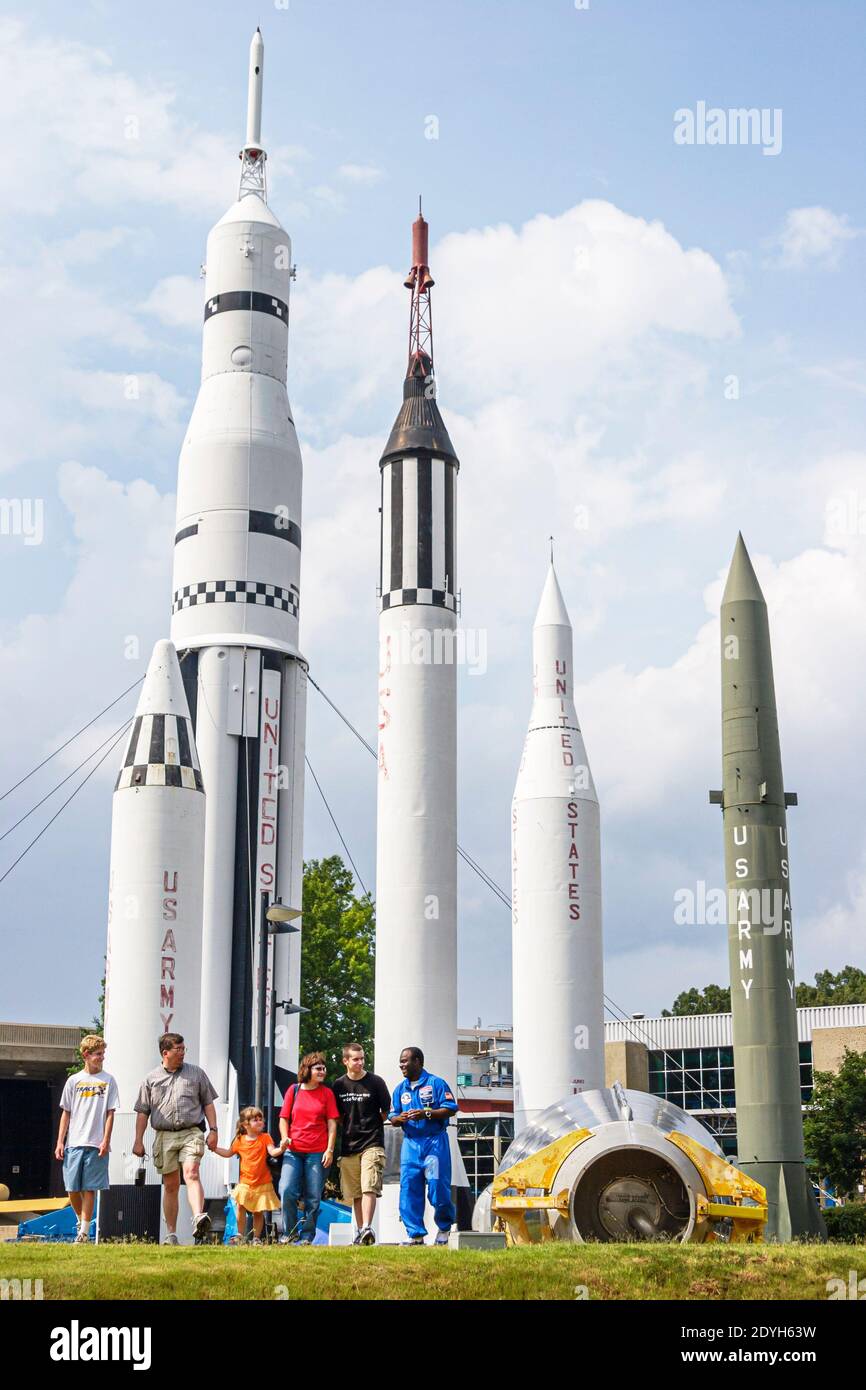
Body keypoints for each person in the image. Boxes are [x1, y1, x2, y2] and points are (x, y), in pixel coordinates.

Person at [132, 1033, 219, 1245]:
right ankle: (171, 1234)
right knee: (170, 1185)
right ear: (165, 1053)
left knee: (192, 1173)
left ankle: (199, 1216)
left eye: (183, 1049)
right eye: (178, 1050)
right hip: (164, 1135)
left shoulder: (196, 1073)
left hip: (192, 1131)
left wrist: (214, 1130)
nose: (182, 1053)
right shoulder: (150, 1079)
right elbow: (143, 1112)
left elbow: (208, 1103)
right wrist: (138, 1140)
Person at [390, 1046, 458, 1247]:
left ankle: (444, 1228)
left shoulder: (436, 1083)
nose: (402, 1065)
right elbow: (392, 1115)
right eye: (401, 1061)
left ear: (418, 1061)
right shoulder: (400, 1089)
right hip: (410, 1145)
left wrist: (426, 1113)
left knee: (437, 1187)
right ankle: (416, 1235)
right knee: (409, 1189)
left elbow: (450, 1108)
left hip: (433, 1143)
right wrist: (398, 1119)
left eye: (406, 1061)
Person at [55, 1035, 119, 1244]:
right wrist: (60, 1141)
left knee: (89, 1187)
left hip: (96, 1142)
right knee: (72, 1188)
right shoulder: (74, 1081)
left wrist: (106, 1139)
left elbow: (110, 1112)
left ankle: (84, 1232)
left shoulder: (108, 1080)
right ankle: (79, 1219)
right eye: (98, 1054)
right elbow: (66, 1112)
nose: (101, 1058)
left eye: (103, 1054)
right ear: (86, 1055)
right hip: (74, 1142)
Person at [332, 1041, 391, 1246]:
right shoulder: (338, 1085)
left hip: (372, 1142)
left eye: (362, 1058)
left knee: (369, 1186)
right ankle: (360, 1232)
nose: (360, 1062)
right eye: (355, 1059)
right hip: (348, 1145)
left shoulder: (376, 1082)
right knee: (355, 1192)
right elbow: (336, 1116)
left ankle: (367, 1226)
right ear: (345, 1061)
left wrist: (370, 1124)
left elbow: (385, 1111)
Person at [278, 1051, 338, 1245]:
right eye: (318, 1068)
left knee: (313, 1197)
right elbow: (284, 1119)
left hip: (317, 1152)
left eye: (324, 1068)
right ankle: (290, 1232)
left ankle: (307, 1236)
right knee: (286, 1189)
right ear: (307, 1070)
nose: (322, 1071)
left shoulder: (326, 1093)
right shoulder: (293, 1090)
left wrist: (329, 1149)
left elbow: (332, 1124)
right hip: (293, 1150)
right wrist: (285, 1137)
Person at [213, 1106, 286, 1244]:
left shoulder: (265, 1137)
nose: (259, 1122)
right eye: (255, 1120)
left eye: (261, 1119)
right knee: (241, 1206)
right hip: (245, 1182)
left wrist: (281, 1148)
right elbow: (228, 1153)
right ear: (245, 1124)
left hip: (262, 1182)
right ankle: (240, 1235)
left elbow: (272, 1152)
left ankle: (256, 1238)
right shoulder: (239, 1140)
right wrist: (215, 1148)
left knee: (258, 1211)